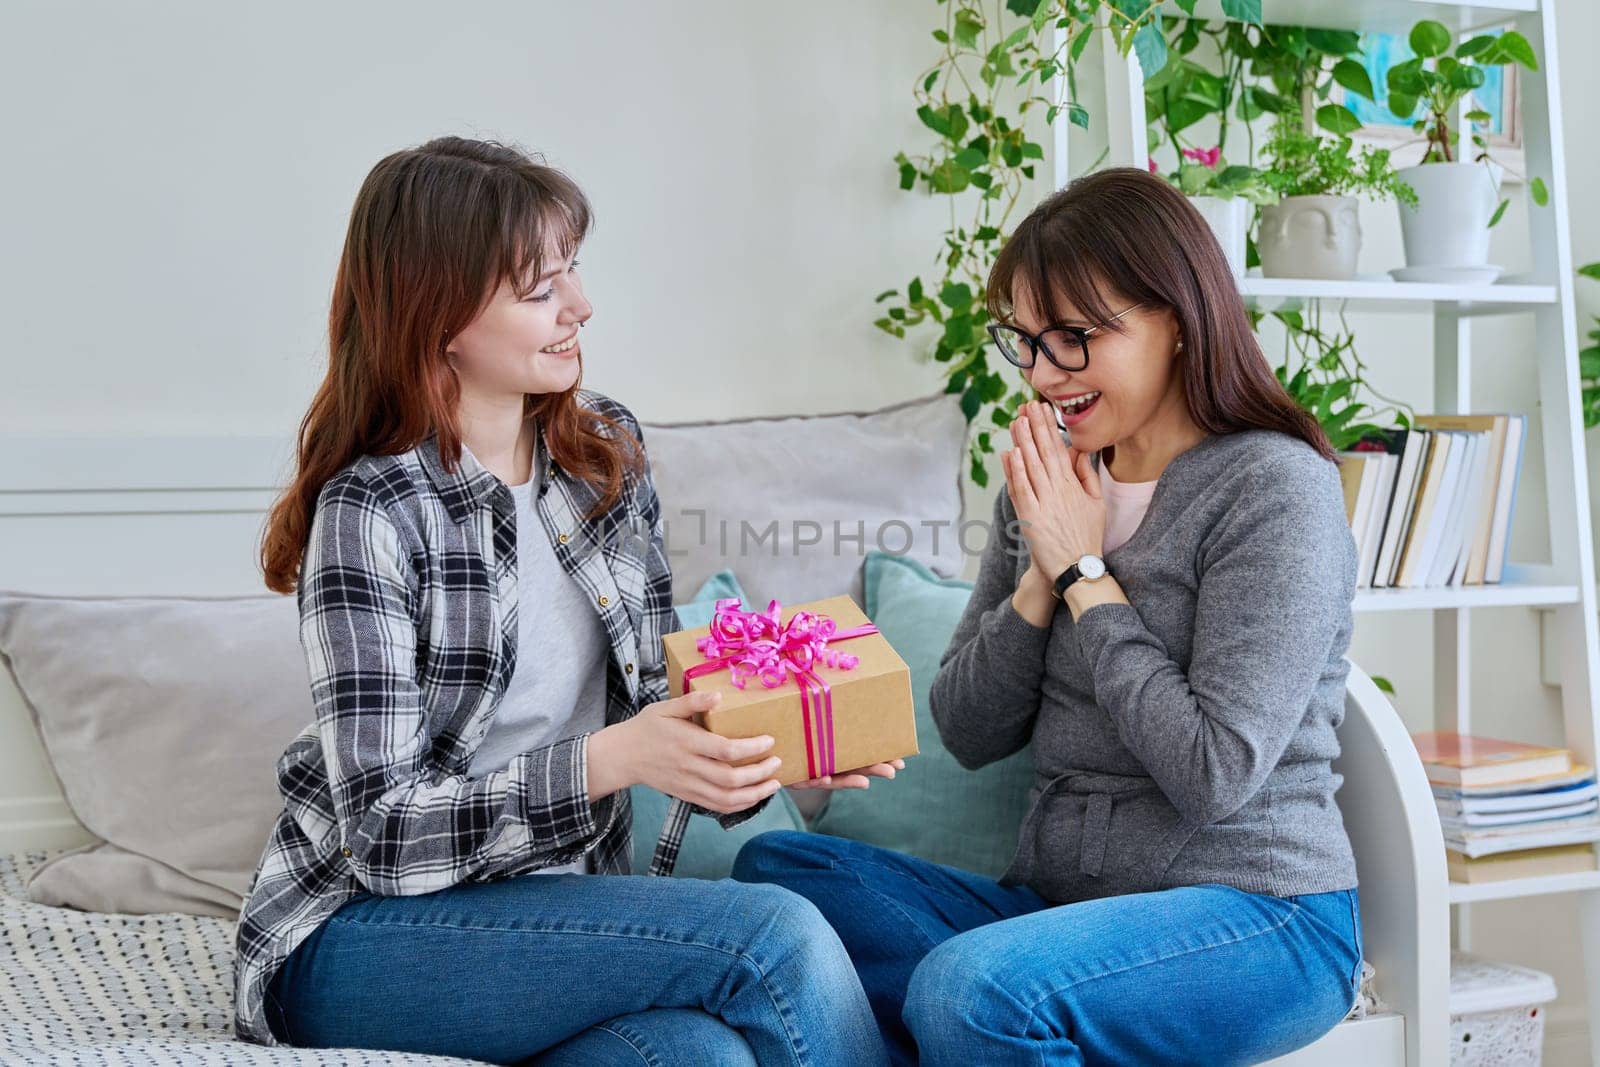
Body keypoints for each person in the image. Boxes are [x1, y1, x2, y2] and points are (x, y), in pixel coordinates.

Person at [239, 135, 897, 1066]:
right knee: (772, 935)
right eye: (540, 288)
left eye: (573, 272)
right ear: (442, 317)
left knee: (698, 1056)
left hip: (548, 918)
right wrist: (612, 757)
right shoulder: (373, 509)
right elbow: (384, 835)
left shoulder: (604, 459)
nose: (580, 307)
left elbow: (657, 703)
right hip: (360, 933)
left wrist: (783, 755)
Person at [733, 167, 1365, 1066]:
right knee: (775, 891)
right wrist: (1038, 574)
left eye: (1073, 338)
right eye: (1026, 342)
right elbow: (967, 726)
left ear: (1177, 321)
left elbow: (1215, 771)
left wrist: (1084, 570)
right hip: (1056, 916)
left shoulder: (1274, 489)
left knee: (970, 988)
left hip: (1259, 914)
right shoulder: (1050, 479)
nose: (1042, 373)